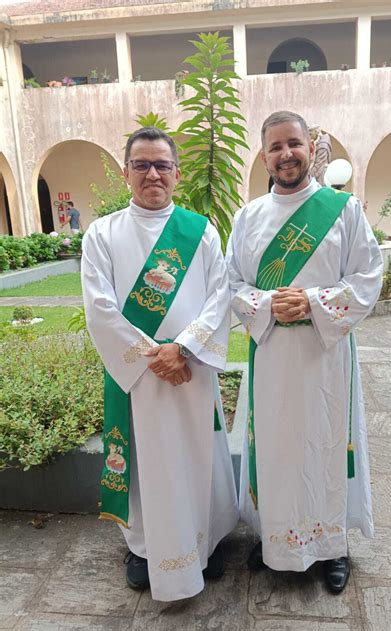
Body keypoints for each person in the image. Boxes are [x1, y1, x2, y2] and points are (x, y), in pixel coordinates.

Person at [226, 111, 383, 594]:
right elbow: (230, 284)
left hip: (323, 358)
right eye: (275, 146)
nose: (285, 154)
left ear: (308, 147)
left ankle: (332, 547)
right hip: (271, 356)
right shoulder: (247, 217)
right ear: (264, 154)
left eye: (293, 143)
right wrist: (270, 303)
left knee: (326, 447)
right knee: (274, 450)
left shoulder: (343, 209)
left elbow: (367, 276)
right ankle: (274, 539)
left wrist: (313, 302)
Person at [81, 127, 238, 602]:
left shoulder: (201, 231)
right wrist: (156, 357)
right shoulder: (102, 234)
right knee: (146, 462)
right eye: (142, 164)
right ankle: (145, 548)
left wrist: (184, 347)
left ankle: (201, 544)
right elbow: (100, 307)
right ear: (125, 171)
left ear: (177, 172)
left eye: (162, 165)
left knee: (194, 456)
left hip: (190, 372)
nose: (153, 174)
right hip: (139, 378)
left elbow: (220, 296)